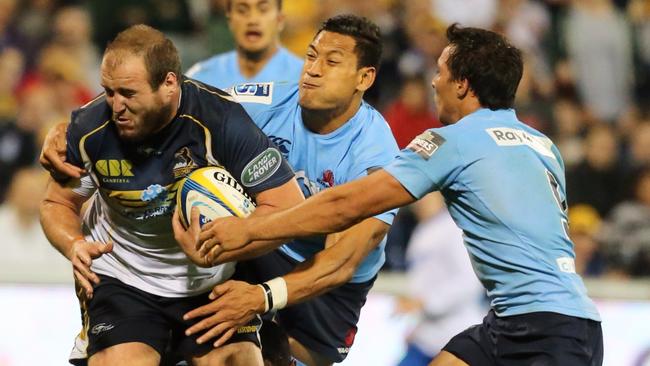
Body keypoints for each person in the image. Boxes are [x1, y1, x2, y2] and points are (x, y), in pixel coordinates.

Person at [200, 24, 604, 366]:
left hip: (545, 330)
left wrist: (251, 230)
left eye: (441, 71)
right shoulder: (542, 144)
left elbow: (346, 204)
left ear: (462, 85)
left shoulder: (452, 142)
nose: (433, 81)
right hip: (534, 319)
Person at [40, 15, 399, 366]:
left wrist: (261, 296)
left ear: (365, 78)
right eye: (310, 56)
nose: (314, 69)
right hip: (252, 247)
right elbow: (187, 97)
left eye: (331, 62)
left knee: (287, 354)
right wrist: (67, 131)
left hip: (326, 279)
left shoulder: (375, 154)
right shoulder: (264, 102)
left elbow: (341, 263)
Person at [395, 192, 485, 366]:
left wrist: (424, 302)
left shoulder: (455, 229)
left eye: (427, 196)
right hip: (427, 336)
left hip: (458, 333)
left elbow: (470, 281)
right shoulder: (423, 228)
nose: (420, 203)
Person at [185, 0, 303, 89]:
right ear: (230, 21)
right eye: (242, 10)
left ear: (280, 20)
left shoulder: (303, 79)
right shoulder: (199, 79)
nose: (252, 20)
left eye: (263, 9)